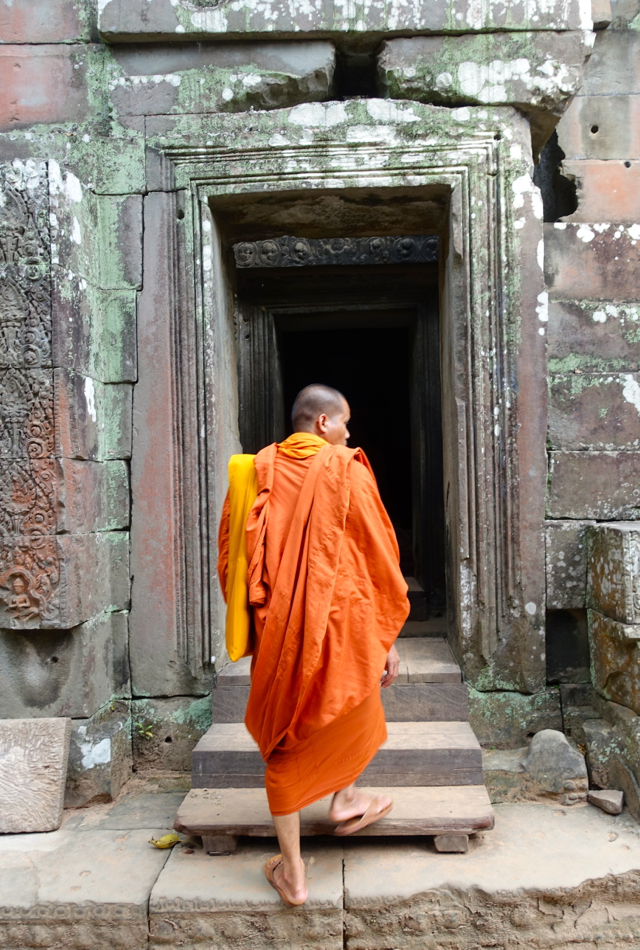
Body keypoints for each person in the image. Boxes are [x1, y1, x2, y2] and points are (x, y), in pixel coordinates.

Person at [217, 384, 409, 906]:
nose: (350, 432)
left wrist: (266, 617)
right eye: (345, 422)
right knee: (343, 704)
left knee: (300, 728)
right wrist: (383, 637)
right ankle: (301, 865)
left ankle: (327, 825)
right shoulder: (347, 467)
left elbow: (235, 556)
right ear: (323, 424)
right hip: (343, 622)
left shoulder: (258, 469)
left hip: (284, 627)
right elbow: (378, 555)